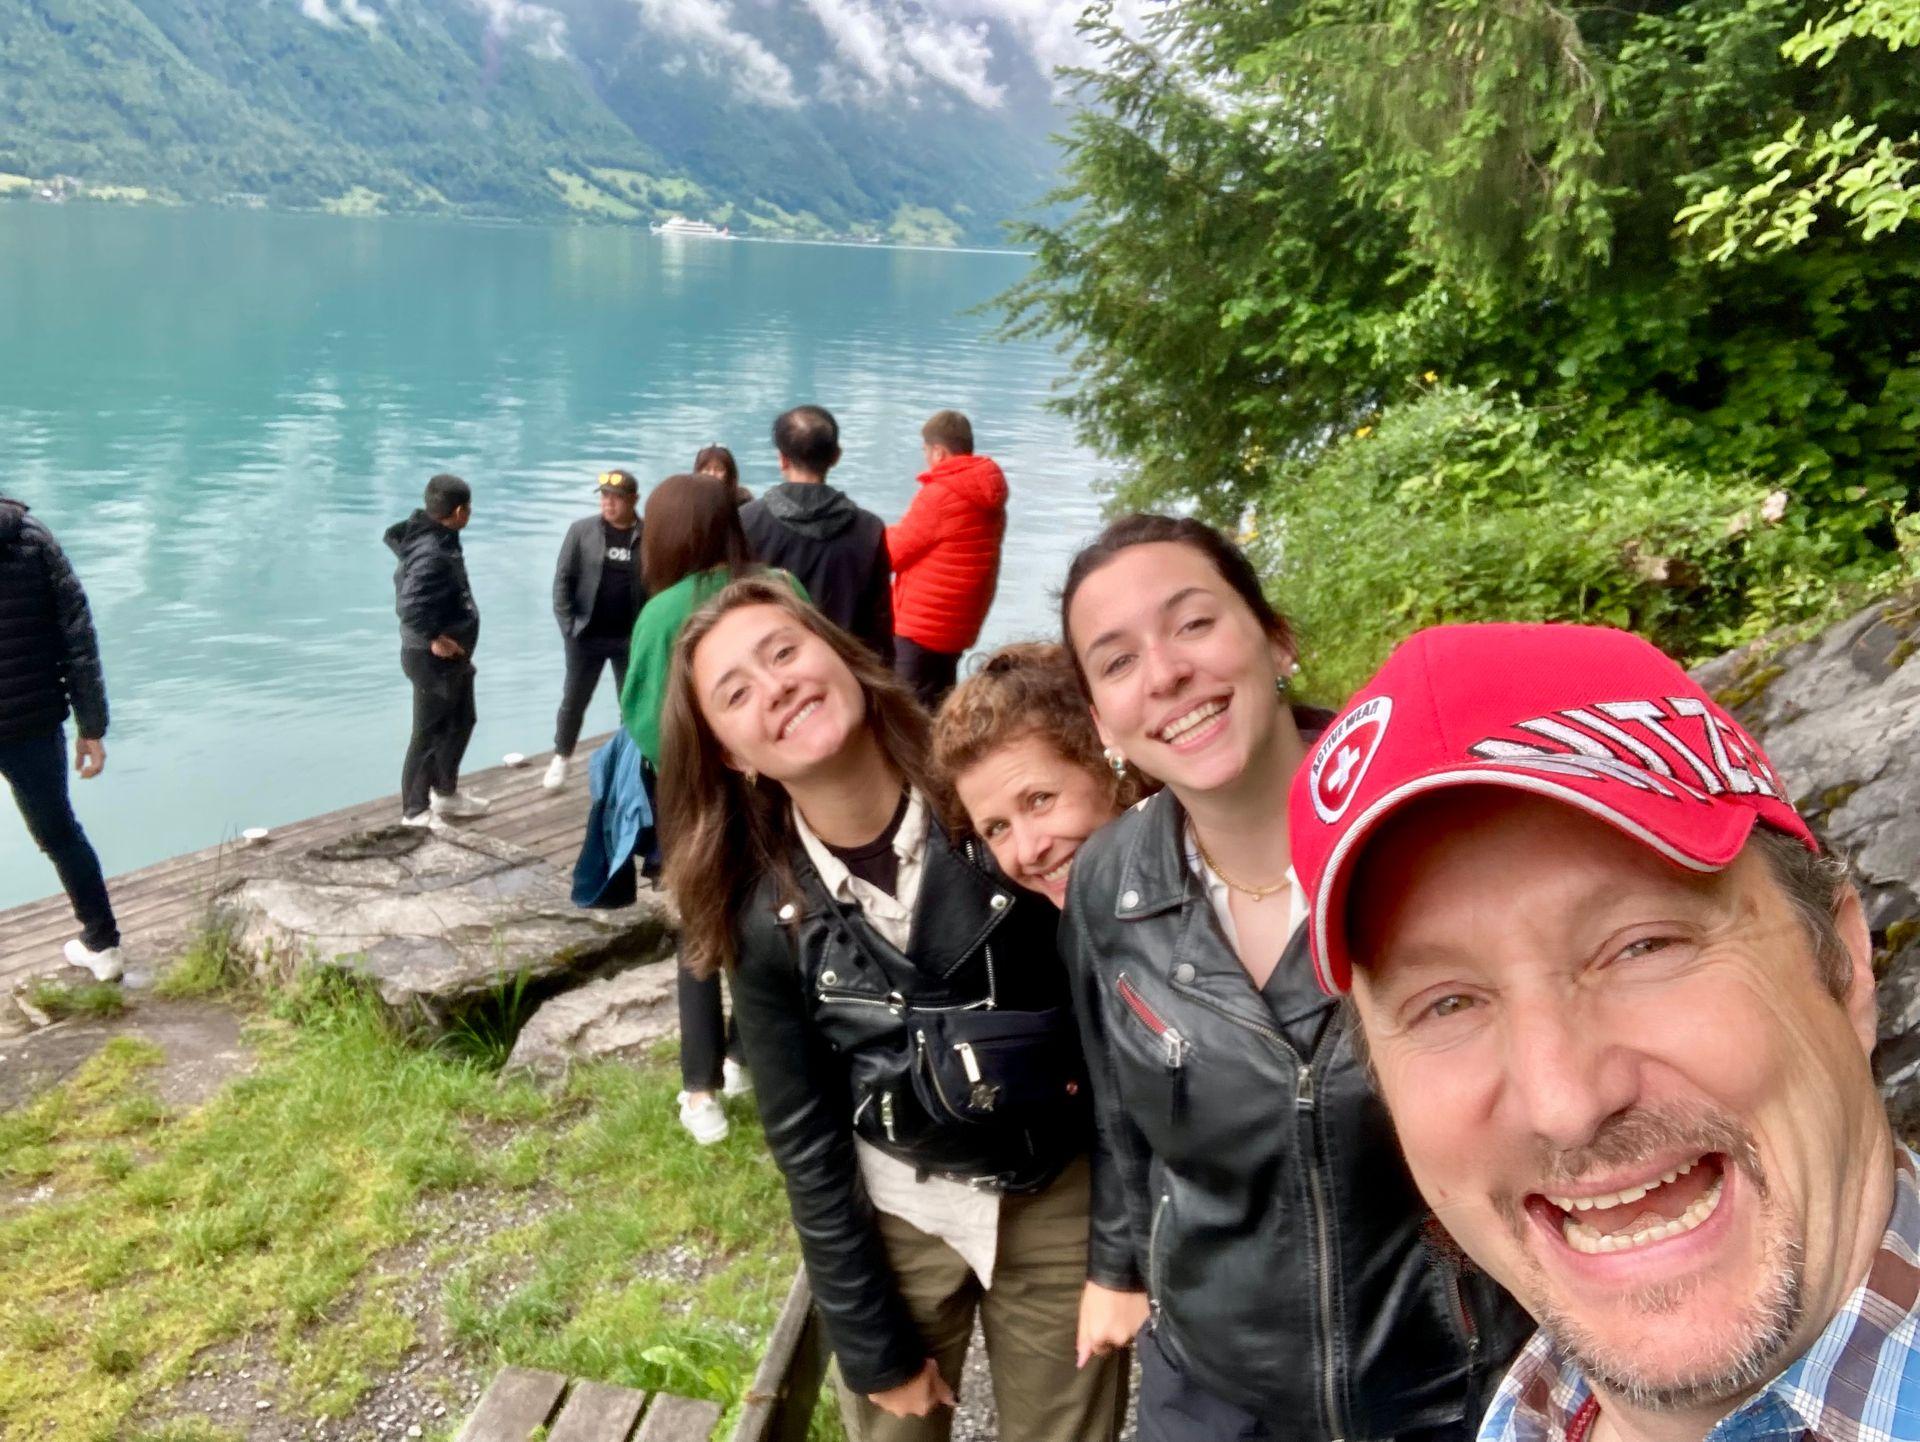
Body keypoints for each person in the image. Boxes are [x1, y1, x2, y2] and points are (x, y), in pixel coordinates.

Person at [1290, 622, 1909, 1442]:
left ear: (1846, 960)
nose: (1564, 1102)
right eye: (1447, 1004)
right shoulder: (1527, 1417)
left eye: (1643, 946)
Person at [1051, 513, 1529, 1442]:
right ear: (1104, 720)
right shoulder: (1110, 885)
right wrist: (1115, 1266)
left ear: (1276, 639)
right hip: (1215, 1398)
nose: (1165, 673)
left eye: (1193, 624)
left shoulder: (1429, 839)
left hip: (1455, 1390)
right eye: (1116, 662)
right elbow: (1117, 1110)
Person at [658, 576, 1126, 1442]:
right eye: (736, 692)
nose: (777, 687)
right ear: (732, 755)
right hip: (900, 1214)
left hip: (1057, 1193)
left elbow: (1113, 1021)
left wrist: (1120, 1253)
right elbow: (804, 1138)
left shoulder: (991, 813)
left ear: (842, 657)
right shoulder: (764, 918)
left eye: (785, 651)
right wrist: (869, 1341)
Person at [617, 474, 798, 1144]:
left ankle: (700, 1093)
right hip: (780, 788)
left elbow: (641, 716)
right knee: (778, 915)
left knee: (702, 931)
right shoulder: (778, 588)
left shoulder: (661, 613)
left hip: (695, 798)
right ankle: (745, 1054)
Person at [0, 495, 123, 981]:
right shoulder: (32, 539)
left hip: (30, 720)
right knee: (60, 834)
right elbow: (77, 635)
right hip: (32, 721)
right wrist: (90, 725)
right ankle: (103, 944)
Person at [740, 405, 893, 663]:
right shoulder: (869, 530)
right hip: (847, 670)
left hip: (771, 670)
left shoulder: (747, 521)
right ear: (836, 456)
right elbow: (879, 626)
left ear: (782, 458)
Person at [886, 410, 1007, 710]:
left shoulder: (940, 496)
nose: (925, 458)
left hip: (923, 625)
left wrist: (869, 532)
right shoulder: (986, 494)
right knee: (940, 704)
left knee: (908, 714)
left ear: (939, 452)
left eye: (926, 451)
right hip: (957, 625)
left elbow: (893, 554)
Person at [384, 473, 487, 828]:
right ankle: (414, 812)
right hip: (431, 660)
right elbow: (410, 604)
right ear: (459, 511)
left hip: (454, 658)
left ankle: (444, 794)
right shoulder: (432, 551)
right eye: (468, 507)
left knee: (461, 720)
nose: (469, 512)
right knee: (427, 733)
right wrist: (433, 637)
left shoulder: (440, 537)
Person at [544, 470, 647, 791]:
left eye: (615, 497)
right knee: (574, 699)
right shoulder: (581, 531)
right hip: (585, 635)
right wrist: (568, 626)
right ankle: (561, 757)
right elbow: (562, 580)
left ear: (633, 500)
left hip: (629, 637)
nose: (608, 503)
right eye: (604, 496)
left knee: (630, 702)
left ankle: (625, 761)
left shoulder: (650, 535)